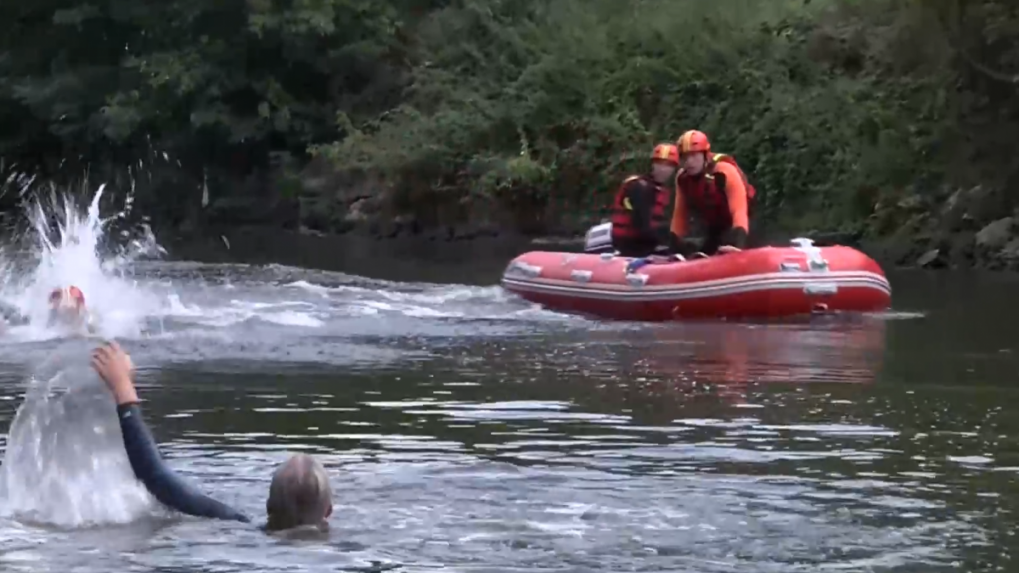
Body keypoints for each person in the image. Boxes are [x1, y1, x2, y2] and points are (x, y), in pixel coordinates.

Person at [90, 341, 334, 532]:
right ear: (329, 512)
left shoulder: (234, 526)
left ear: (268, 507)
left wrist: (122, 386)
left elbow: (156, 478)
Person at [670, 130, 757, 256]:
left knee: (729, 247)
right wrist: (673, 246)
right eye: (684, 157)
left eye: (694, 155)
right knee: (703, 253)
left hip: (741, 225)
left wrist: (737, 245)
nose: (689, 162)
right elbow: (679, 215)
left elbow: (739, 211)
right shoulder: (682, 178)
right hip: (715, 227)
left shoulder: (724, 171)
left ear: (705, 155)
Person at [609, 143, 679, 257]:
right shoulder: (640, 187)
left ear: (674, 169)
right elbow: (641, 224)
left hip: (644, 243)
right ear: (652, 164)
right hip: (630, 244)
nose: (663, 169)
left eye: (668, 165)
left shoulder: (661, 190)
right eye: (659, 163)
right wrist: (666, 241)